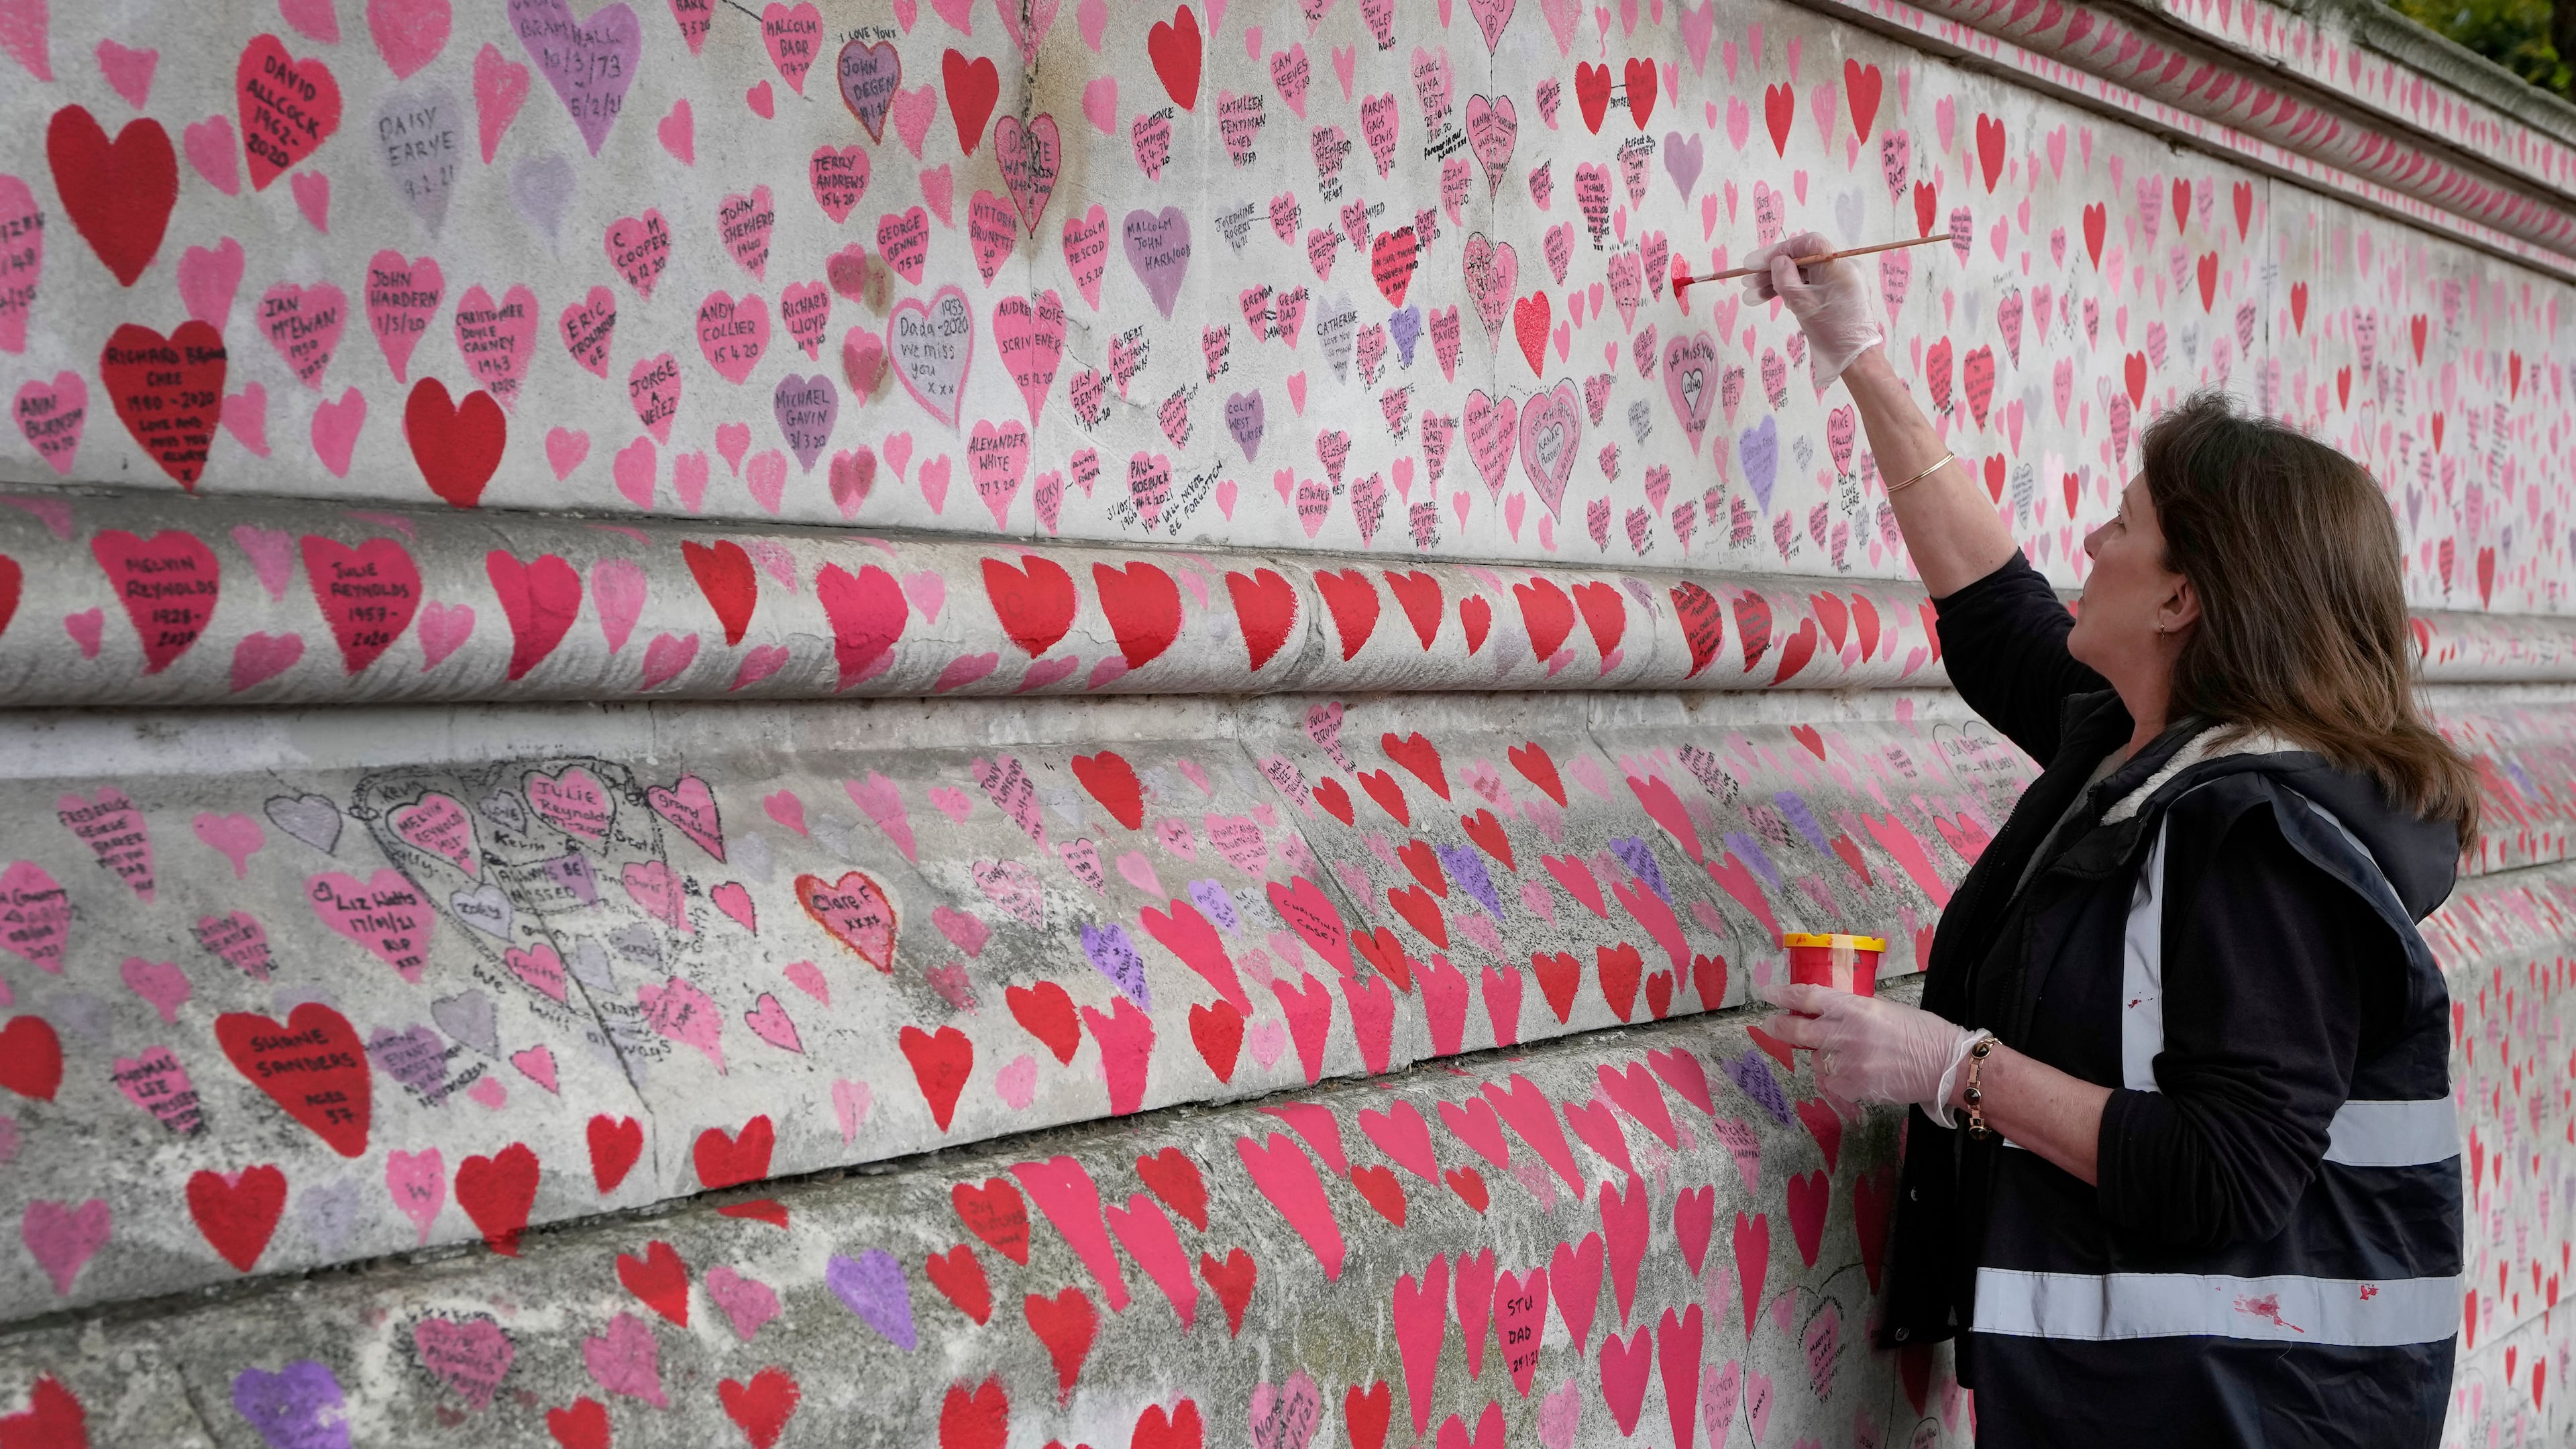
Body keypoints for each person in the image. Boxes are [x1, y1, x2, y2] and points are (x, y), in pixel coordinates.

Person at [1743, 231, 2477, 1446]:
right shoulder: (2148, 746)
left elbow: (2224, 1173)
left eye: (2125, 525)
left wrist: (1951, 1069)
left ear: (2183, 599)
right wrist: (1860, 357)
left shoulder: (2256, 840)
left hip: (2238, 1418)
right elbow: (1994, 613)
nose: (2089, 541)